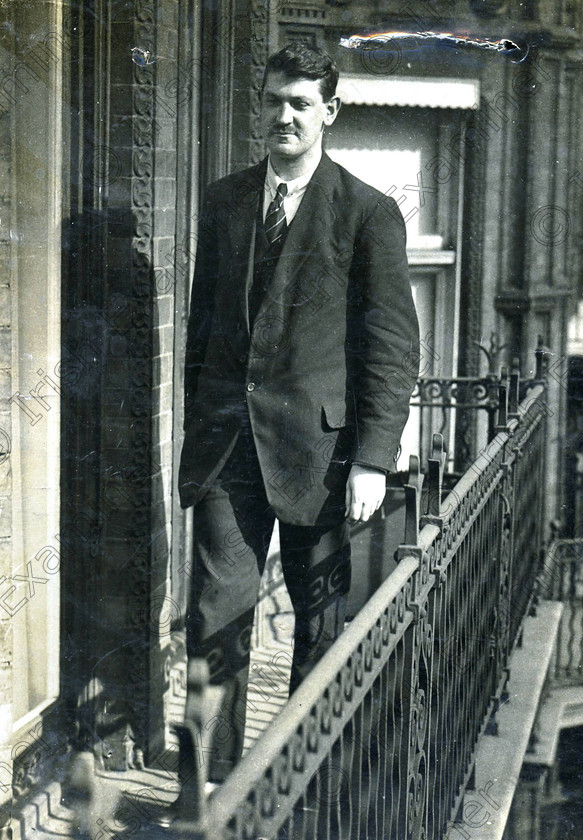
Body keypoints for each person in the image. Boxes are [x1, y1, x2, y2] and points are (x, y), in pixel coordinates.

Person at [176, 42, 419, 790]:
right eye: (275, 100)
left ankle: (298, 777)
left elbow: (391, 345)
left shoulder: (368, 214)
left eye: (301, 104)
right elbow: (204, 325)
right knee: (215, 615)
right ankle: (206, 790)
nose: (284, 115)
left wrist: (374, 458)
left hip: (323, 455)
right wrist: (197, 424)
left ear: (330, 113)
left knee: (317, 624)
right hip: (228, 449)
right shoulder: (223, 200)